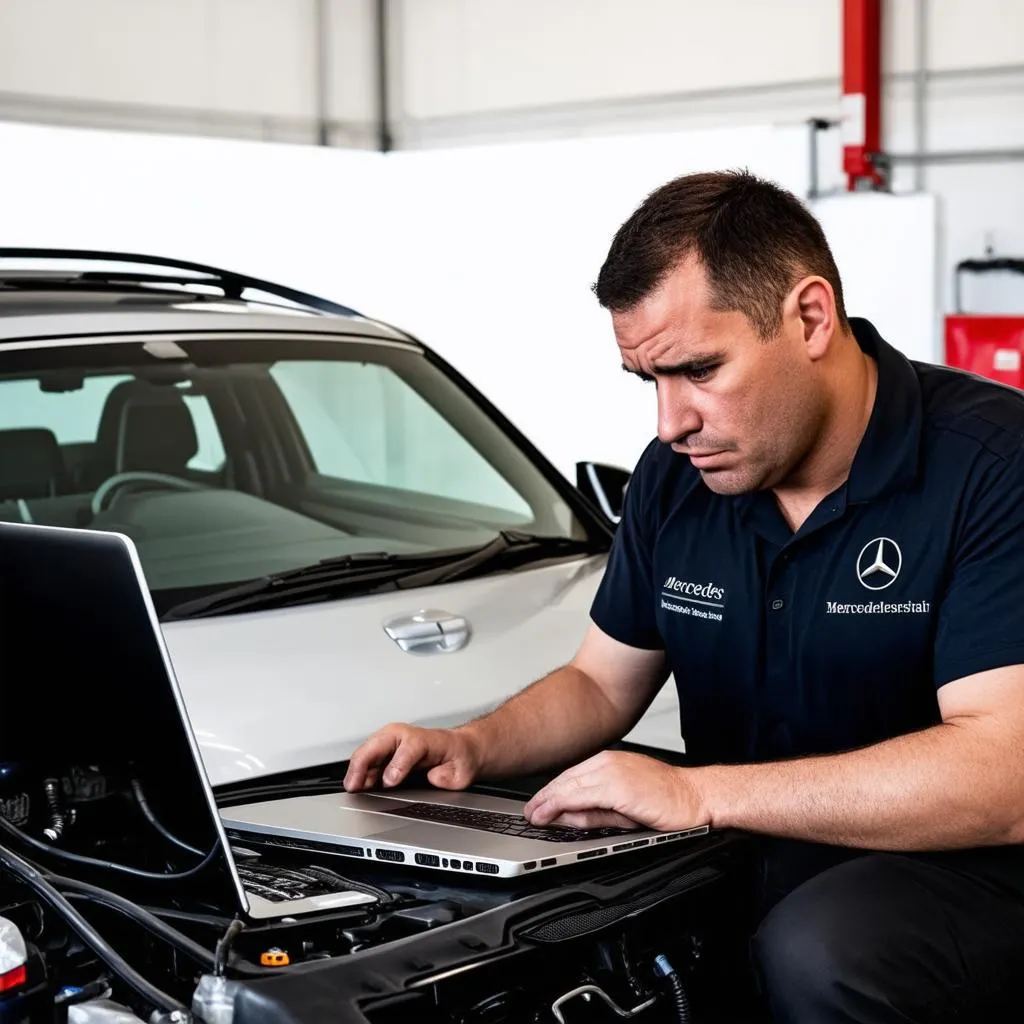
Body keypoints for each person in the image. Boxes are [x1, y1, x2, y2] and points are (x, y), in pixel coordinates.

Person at [344, 170, 1024, 1022]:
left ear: (810, 318)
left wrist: (700, 794)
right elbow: (600, 684)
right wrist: (472, 746)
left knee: (826, 946)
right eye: (649, 381)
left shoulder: (995, 467)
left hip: (957, 878)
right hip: (740, 854)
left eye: (699, 369)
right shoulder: (676, 478)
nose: (671, 423)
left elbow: (1003, 778)